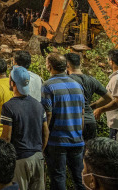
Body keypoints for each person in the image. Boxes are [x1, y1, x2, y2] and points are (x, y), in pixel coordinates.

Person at [41, 52, 85, 190]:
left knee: (58, 177)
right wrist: (79, 134)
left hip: (57, 141)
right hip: (77, 139)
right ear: (66, 66)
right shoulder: (77, 85)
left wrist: (44, 141)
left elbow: (47, 115)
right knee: (80, 178)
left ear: (49, 66)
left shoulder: (48, 86)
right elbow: (82, 114)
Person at [1, 66, 48, 190]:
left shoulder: (8, 107)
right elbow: (46, 132)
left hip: (20, 159)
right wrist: (40, 150)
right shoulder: (39, 105)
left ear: (12, 83)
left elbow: (6, 137)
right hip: (38, 157)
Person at [65, 52, 113, 142]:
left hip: (74, 121)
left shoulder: (67, 81)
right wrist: (92, 106)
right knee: (89, 152)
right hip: (90, 121)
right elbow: (109, 98)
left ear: (67, 65)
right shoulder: (91, 80)